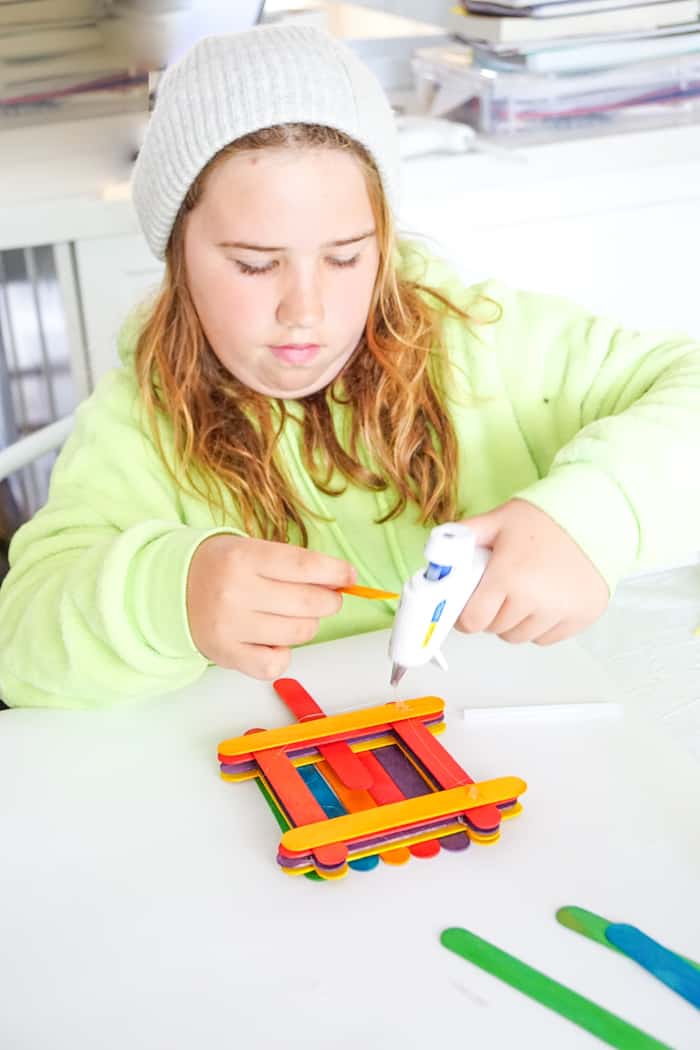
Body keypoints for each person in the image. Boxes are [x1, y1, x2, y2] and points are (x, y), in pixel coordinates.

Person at [0, 24, 698, 710]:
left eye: (345, 257)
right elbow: (22, 649)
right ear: (178, 254)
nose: (305, 309)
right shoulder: (138, 429)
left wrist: (601, 515)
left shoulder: (484, 343)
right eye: (254, 263)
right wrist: (166, 597)